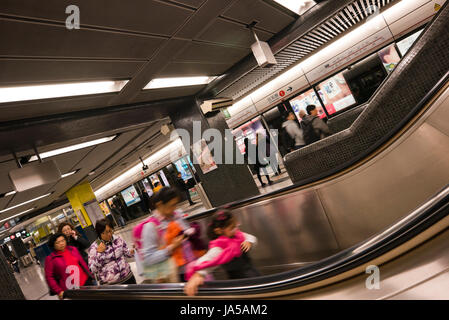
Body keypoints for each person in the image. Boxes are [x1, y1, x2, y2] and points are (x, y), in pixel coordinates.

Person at [184, 209, 259, 296]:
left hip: (254, 275)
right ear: (219, 231)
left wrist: (249, 241)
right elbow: (208, 259)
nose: (235, 229)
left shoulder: (238, 235)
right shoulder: (220, 247)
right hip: (239, 283)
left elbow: (251, 238)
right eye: (232, 228)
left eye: (236, 226)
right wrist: (199, 275)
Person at [134, 187, 199, 283]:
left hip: (193, 266)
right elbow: (148, 258)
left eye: (176, 204)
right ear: (160, 204)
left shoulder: (177, 215)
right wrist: (171, 248)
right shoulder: (151, 227)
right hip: (176, 275)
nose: (175, 208)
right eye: (172, 205)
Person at [45, 233, 94, 300]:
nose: (61, 243)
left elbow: (82, 263)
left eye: (63, 240)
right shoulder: (50, 259)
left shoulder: (73, 249)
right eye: (57, 242)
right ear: (53, 245)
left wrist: (90, 275)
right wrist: (59, 291)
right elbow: (49, 277)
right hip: (71, 289)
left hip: (86, 282)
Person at [88, 219, 136, 285]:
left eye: (111, 230)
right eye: (106, 232)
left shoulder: (118, 239)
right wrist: (99, 254)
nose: (110, 234)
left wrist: (134, 250)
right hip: (112, 285)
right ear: (100, 233)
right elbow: (93, 269)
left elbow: (127, 254)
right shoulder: (94, 247)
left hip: (128, 278)